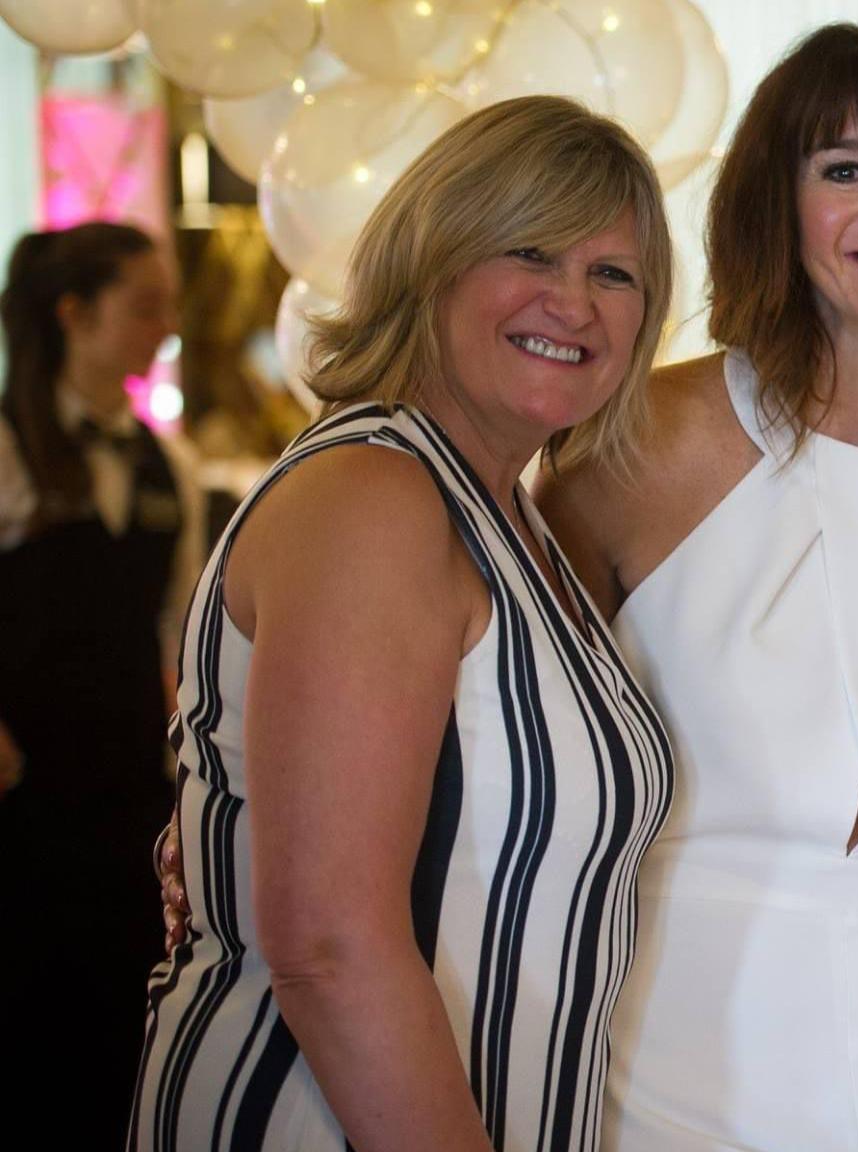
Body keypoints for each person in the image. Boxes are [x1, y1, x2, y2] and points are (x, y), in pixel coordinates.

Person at [534, 19, 858, 1151]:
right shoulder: (639, 444)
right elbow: (498, 754)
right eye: (842, 169)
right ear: (779, 210)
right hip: (667, 1068)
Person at [129, 95, 676, 1151]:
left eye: (613, 274)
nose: (574, 303)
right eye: (531, 251)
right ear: (433, 262)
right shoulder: (376, 494)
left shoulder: (509, 516)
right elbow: (329, 947)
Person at [0, 220, 190, 1145]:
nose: (166, 323)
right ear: (74, 313)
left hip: (126, 798)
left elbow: (176, 624)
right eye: (145, 305)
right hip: (19, 799)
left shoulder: (167, 462)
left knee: (118, 1021)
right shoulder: (6, 446)